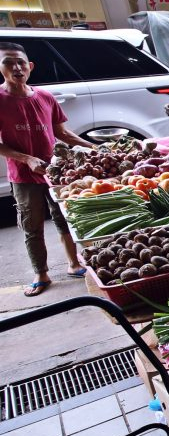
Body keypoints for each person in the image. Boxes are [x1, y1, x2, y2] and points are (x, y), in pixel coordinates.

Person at [0, 42, 94, 297]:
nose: (16, 67)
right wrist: (26, 159)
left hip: (55, 172)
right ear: (1, 68)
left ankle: (74, 264)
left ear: (30, 66)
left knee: (64, 218)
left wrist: (94, 147)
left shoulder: (45, 97)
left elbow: (62, 133)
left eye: (21, 62)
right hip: (23, 176)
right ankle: (41, 273)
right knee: (32, 225)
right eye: (9, 62)